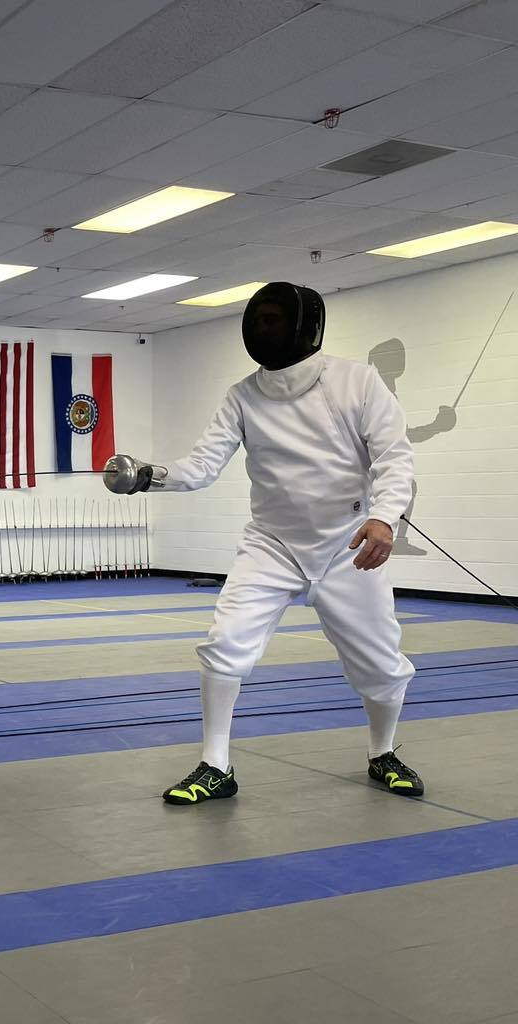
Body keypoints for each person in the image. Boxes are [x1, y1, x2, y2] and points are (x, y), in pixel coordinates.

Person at [107, 281, 422, 805]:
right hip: (271, 545)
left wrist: (385, 518)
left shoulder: (358, 382)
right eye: (257, 319)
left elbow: (394, 457)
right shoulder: (243, 396)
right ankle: (216, 766)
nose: (261, 329)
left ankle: (382, 752)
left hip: (345, 549)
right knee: (224, 646)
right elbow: (203, 467)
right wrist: (148, 475)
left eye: (273, 319)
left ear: (305, 325)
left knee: (382, 665)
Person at [368, 338, 458, 557]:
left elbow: (398, 436)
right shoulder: (378, 391)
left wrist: (435, 427)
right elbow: (401, 437)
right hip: (364, 467)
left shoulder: (383, 389)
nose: (401, 361)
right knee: (405, 487)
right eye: (396, 356)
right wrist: (436, 427)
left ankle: (395, 539)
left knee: (408, 485)